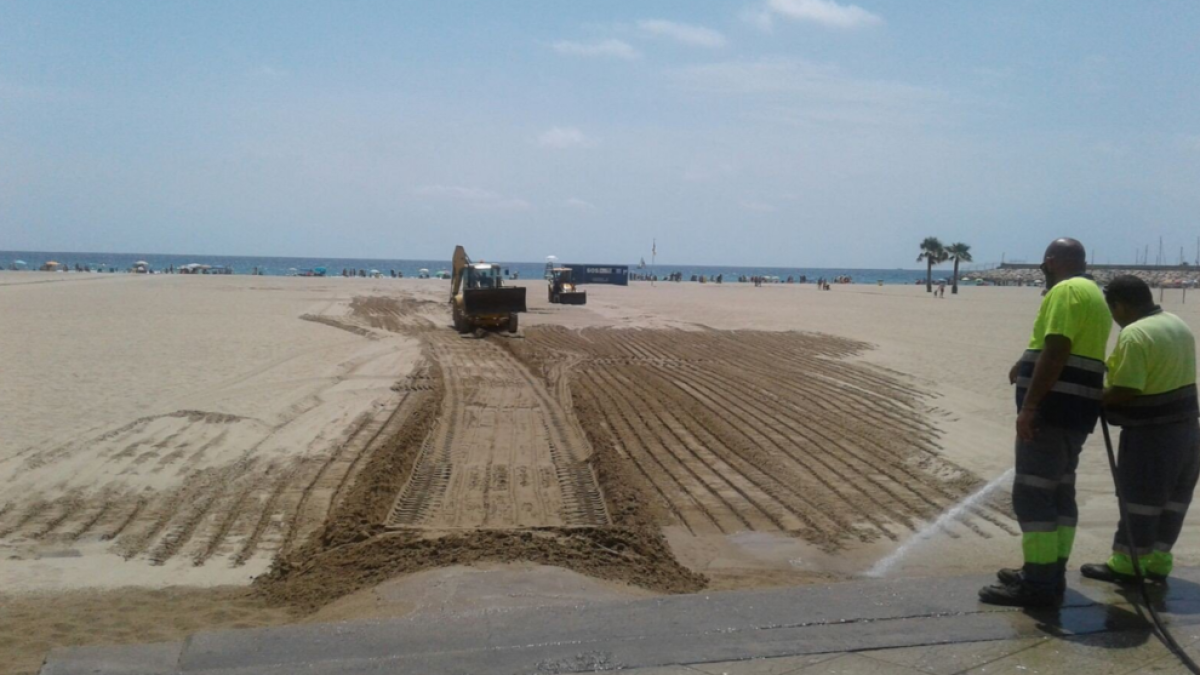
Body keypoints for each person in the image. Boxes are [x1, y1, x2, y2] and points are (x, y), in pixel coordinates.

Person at [980, 238, 1112, 607]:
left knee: (1033, 494)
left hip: (1052, 411)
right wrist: (1023, 365)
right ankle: (1049, 572)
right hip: (1076, 412)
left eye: (1043, 262)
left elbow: (1057, 348)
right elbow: (1057, 349)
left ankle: (1039, 585)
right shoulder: (1092, 293)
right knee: (1059, 492)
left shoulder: (1066, 290)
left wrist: (1030, 407)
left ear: (1051, 261)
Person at [1080, 275, 1199, 584]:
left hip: (1153, 434)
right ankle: (1158, 562)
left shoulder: (1135, 334)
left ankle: (1126, 565)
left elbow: (1127, 388)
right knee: (1174, 500)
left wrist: (1095, 401)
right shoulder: (1177, 325)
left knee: (1140, 499)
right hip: (1188, 431)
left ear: (1118, 305)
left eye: (1112, 310)